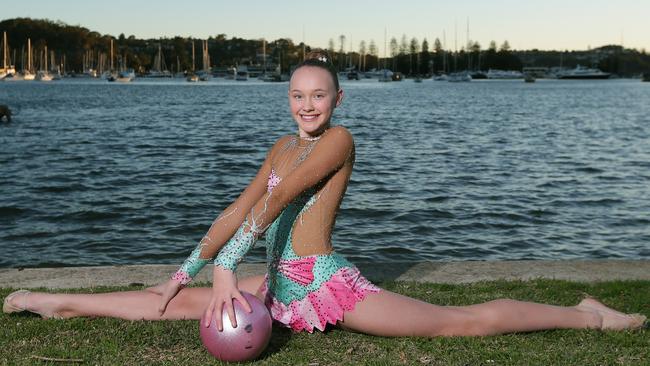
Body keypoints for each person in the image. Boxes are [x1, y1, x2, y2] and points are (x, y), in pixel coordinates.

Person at [3, 50, 646, 337]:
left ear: (337, 99)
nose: (308, 105)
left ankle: (589, 313)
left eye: (319, 95)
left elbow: (276, 205)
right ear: (288, 99)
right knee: (164, 301)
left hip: (324, 283)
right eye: (297, 95)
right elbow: (239, 207)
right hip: (276, 287)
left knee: (460, 323)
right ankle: (53, 300)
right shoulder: (281, 148)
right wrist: (187, 270)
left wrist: (230, 271)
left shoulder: (338, 142)